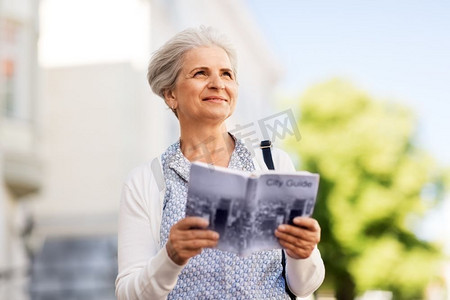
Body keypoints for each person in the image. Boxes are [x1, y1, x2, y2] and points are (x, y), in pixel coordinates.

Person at [115, 26, 325, 300]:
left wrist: (303, 252)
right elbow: (127, 294)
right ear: (170, 95)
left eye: (227, 74)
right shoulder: (146, 182)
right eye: (201, 73)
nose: (218, 83)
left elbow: (305, 285)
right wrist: (170, 257)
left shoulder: (272, 164)